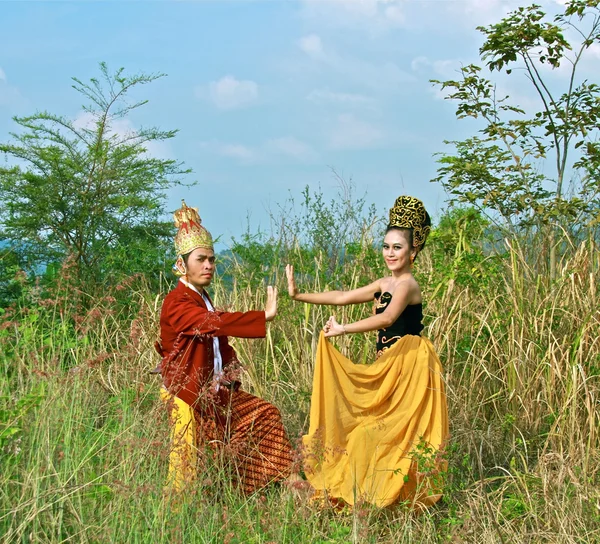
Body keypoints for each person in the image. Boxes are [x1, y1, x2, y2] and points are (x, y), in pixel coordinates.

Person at [286, 195, 448, 509]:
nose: (390, 253)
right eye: (386, 246)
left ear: (413, 251)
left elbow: (387, 318)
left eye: (397, 247)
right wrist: (299, 294)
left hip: (410, 365)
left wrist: (343, 329)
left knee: (388, 435)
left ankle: (391, 497)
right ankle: (371, 497)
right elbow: (342, 297)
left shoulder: (407, 285)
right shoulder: (384, 282)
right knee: (366, 432)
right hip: (386, 366)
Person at [156, 200, 293, 494]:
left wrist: (230, 378)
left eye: (212, 259)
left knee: (265, 414)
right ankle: (193, 512)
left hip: (214, 393)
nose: (208, 265)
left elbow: (219, 344)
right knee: (187, 473)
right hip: (187, 397)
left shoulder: (202, 297)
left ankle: (258, 489)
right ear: (182, 264)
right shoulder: (176, 302)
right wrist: (262, 316)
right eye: (200, 259)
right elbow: (211, 323)